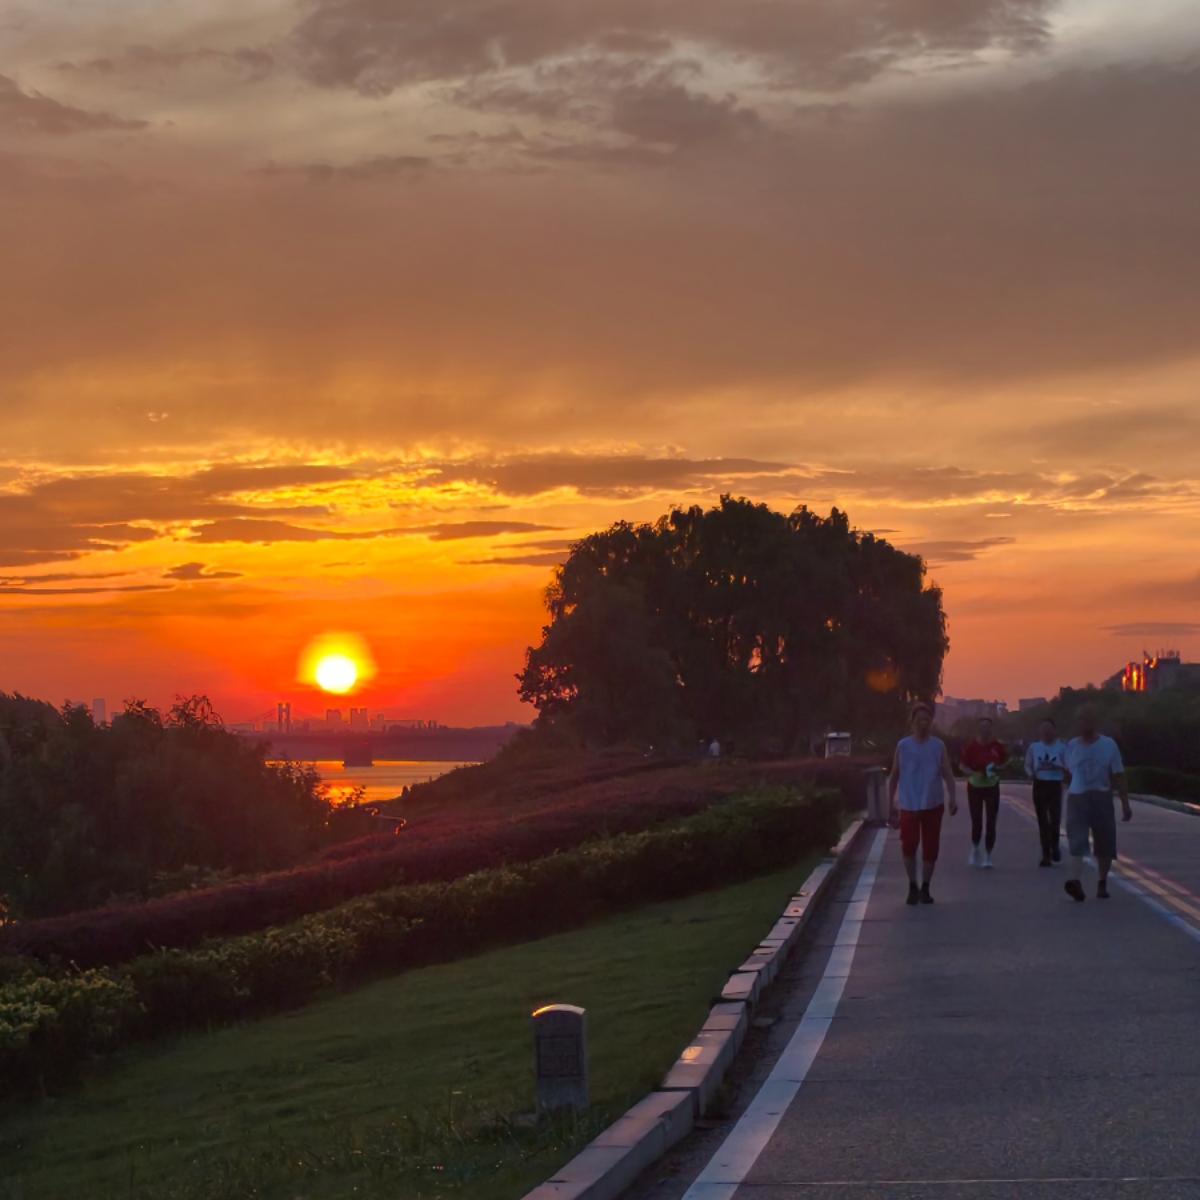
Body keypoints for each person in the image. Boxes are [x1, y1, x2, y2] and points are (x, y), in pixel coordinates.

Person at [888, 703, 959, 905]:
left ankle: (925, 887)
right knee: (909, 845)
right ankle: (912, 885)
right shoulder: (903, 746)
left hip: (932, 803)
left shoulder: (938, 746)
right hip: (909, 803)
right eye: (919, 720)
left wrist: (953, 797)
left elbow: (947, 773)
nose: (923, 724)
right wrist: (890, 803)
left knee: (930, 847)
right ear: (911, 722)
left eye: (927, 720)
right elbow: (894, 776)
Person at [1062, 705, 1131, 901]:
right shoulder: (1071, 746)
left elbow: (1119, 774)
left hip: (1101, 796)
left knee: (1104, 842)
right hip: (1077, 798)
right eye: (1079, 719)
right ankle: (1075, 881)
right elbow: (1067, 772)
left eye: (1086, 719)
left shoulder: (1108, 745)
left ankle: (1102, 881)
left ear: (1093, 721)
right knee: (1076, 840)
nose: (1082, 723)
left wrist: (1125, 803)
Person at [959, 717, 1008, 867]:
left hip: (991, 785)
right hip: (975, 786)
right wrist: (972, 773)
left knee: (991, 820)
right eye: (982, 726)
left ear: (991, 729)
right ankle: (975, 847)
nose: (985, 729)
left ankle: (988, 856)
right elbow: (962, 765)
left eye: (988, 726)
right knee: (977, 820)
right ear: (978, 729)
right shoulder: (970, 747)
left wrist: (997, 769)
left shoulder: (997, 746)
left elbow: (1004, 763)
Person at [1025, 718, 1068, 866]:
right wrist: (1031, 774)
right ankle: (1046, 855)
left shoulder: (1062, 747)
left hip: (1055, 784)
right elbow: (1028, 764)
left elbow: (1068, 764)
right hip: (1040, 784)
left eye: (1049, 728)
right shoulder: (1034, 747)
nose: (1046, 731)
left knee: (1055, 818)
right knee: (1042, 820)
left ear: (1054, 730)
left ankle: (1054, 846)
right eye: (1043, 728)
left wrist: (1062, 769)